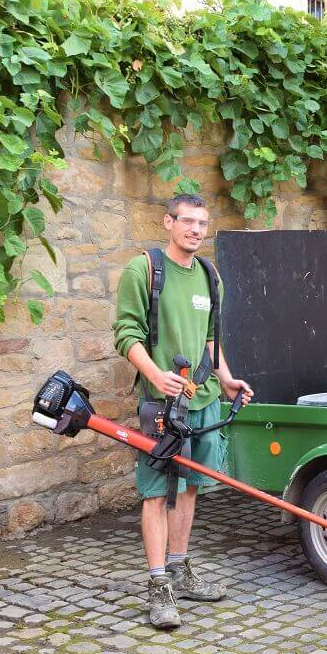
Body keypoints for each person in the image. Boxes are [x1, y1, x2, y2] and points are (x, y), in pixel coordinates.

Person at [112, 193, 253, 630]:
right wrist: (156, 375)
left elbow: (211, 340)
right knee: (155, 490)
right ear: (168, 222)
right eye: (187, 222)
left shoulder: (211, 277)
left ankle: (178, 569)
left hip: (202, 399)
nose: (195, 230)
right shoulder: (145, 270)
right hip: (160, 403)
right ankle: (158, 586)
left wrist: (226, 379)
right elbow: (125, 334)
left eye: (202, 224)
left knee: (190, 486)